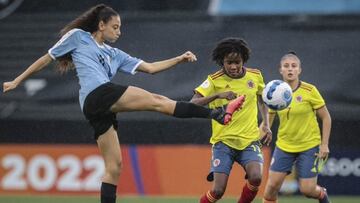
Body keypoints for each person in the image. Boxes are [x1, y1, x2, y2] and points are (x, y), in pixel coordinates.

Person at [2, 4, 246, 203]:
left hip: (97, 108)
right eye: (115, 27)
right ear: (101, 25)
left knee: (115, 166)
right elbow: (47, 58)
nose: (118, 32)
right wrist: (17, 80)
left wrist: (179, 59)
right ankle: (216, 114)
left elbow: (150, 68)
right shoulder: (78, 37)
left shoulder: (115, 54)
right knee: (159, 102)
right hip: (97, 94)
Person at [191, 37, 272, 203]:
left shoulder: (255, 76)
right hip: (223, 142)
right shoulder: (214, 80)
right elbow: (193, 103)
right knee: (218, 191)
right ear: (222, 61)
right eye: (229, 62)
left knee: (256, 178)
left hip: (249, 140)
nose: (234, 66)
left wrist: (267, 125)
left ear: (244, 60)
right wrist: (218, 95)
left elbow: (261, 100)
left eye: (238, 62)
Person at [262, 52, 332, 203]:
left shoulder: (310, 91)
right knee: (270, 190)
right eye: (286, 66)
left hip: (309, 145)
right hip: (284, 146)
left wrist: (324, 145)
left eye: (294, 66)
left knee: (307, 190)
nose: (290, 69)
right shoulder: (274, 93)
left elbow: (326, 118)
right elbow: (266, 122)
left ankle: (322, 195)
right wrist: (253, 138)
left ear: (299, 70)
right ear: (280, 70)